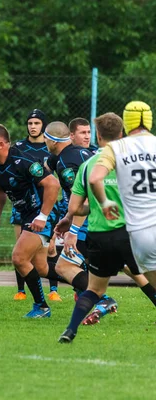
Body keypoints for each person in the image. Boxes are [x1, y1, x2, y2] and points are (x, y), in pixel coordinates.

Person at [56, 112, 156, 343]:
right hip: (131, 233)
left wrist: (89, 209)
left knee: (95, 290)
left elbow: (75, 208)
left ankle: (71, 329)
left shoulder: (88, 165)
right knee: (143, 275)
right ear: (121, 134)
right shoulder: (132, 160)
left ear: (98, 136)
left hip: (100, 236)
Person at [0, 123, 60, 318]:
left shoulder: (24, 161)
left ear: (2, 144)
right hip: (27, 215)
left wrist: (43, 217)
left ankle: (42, 307)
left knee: (19, 257)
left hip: (42, 213)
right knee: (42, 268)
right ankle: (86, 283)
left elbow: (53, 184)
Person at [44, 121, 119, 317]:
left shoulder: (66, 164)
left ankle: (101, 299)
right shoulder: (83, 154)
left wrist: (73, 231)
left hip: (86, 220)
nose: (87, 136)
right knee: (127, 265)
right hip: (104, 215)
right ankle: (86, 296)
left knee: (63, 266)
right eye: (83, 132)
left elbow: (84, 196)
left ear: (52, 141)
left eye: (46, 137)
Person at [90, 101, 156, 287]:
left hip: (140, 232)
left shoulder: (117, 147)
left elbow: (95, 179)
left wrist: (105, 202)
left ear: (127, 121)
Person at [11, 109, 61, 302]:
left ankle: (54, 290)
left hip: (45, 206)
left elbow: (55, 179)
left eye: (37, 123)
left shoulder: (50, 148)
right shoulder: (19, 147)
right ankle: (21, 290)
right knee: (20, 249)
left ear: (43, 126)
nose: (32, 126)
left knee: (49, 250)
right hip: (22, 205)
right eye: (30, 123)